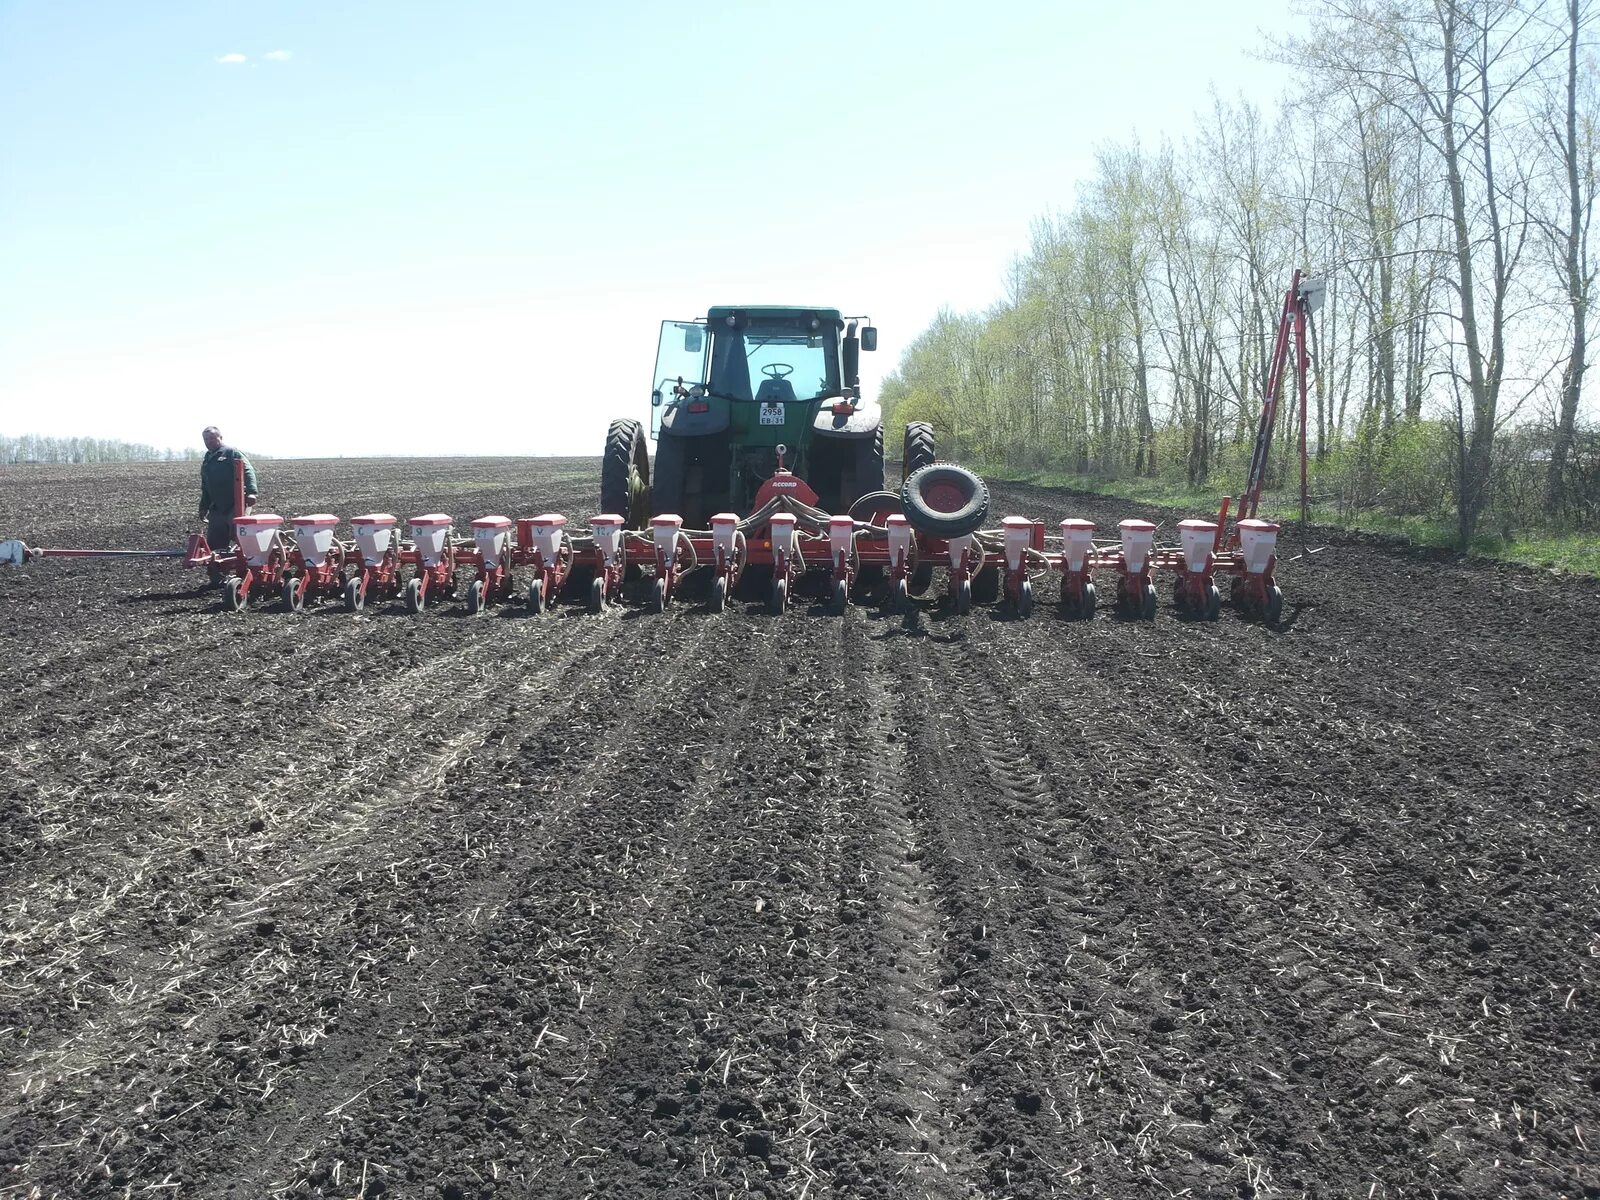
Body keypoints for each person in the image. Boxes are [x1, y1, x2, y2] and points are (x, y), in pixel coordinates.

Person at [198, 427, 259, 569]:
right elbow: (206, 486)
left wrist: (251, 492)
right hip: (217, 506)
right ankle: (217, 575)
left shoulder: (231, 452)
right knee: (214, 543)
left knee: (239, 536)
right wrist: (203, 506)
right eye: (206, 439)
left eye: (212, 438)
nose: (209, 442)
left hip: (235, 503)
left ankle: (250, 570)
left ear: (220, 438)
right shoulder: (207, 459)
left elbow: (248, 470)